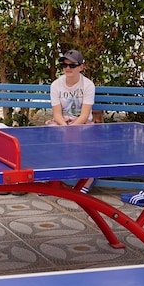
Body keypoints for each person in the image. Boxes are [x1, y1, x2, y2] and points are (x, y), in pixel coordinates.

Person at [49, 49, 96, 192]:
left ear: (81, 67)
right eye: (64, 65)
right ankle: (51, 180)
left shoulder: (88, 85)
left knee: (84, 137)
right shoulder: (55, 85)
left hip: (82, 123)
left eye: (72, 65)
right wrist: (65, 127)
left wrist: (72, 129)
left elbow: (85, 115)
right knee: (49, 137)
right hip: (61, 122)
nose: (67, 68)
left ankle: (88, 179)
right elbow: (57, 114)